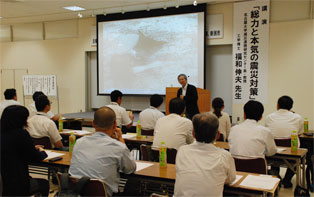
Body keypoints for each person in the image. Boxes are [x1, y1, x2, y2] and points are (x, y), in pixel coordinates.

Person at [69, 107, 136, 196]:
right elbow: (130, 169)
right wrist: (120, 139)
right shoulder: (118, 147)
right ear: (115, 124)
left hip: (78, 193)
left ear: (93, 123)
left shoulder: (79, 142)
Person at [174, 113, 236, 196]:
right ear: (218, 135)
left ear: (193, 134)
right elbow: (230, 179)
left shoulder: (182, 151)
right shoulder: (225, 156)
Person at [1, 105, 49, 196]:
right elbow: (36, 157)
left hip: (4, 182)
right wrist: (42, 151)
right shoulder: (21, 134)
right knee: (44, 183)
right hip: (16, 184)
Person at [265, 95, 303, 188]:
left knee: (274, 147)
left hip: (272, 154)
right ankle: (287, 180)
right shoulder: (297, 117)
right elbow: (300, 133)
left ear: (277, 105)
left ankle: (275, 176)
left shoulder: (269, 117)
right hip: (292, 154)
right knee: (297, 153)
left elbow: (267, 133)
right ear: (291, 107)